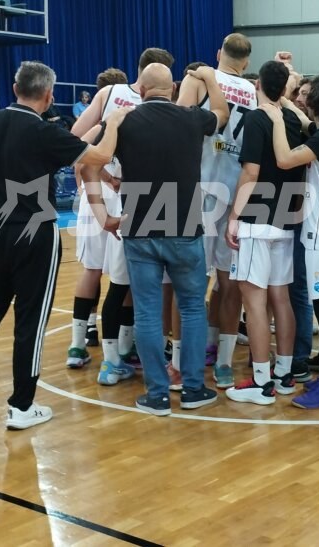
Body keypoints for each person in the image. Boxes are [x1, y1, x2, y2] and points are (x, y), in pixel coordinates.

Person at [0, 61, 128, 430]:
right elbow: (101, 157)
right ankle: (22, 406)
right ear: (48, 95)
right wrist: (114, 122)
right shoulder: (44, 131)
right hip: (35, 234)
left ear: (15, 89)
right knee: (30, 320)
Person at [107, 63, 228, 416]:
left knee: (146, 311)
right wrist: (210, 78)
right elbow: (221, 113)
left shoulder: (124, 119)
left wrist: (105, 201)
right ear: (172, 89)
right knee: (192, 308)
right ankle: (193, 389)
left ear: (141, 90)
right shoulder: (190, 118)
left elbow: (88, 155)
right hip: (184, 227)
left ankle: (157, 394)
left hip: (139, 227)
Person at [69, 53, 167, 375]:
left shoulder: (109, 93)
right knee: (125, 277)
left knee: (93, 270)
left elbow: (74, 140)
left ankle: (79, 344)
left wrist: (98, 175)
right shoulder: (158, 104)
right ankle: (124, 347)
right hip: (129, 193)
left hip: (98, 189)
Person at [263, 68, 319, 410]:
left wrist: (275, 119)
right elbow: (305, 123)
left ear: (318, 103)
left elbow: (285, 159)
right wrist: (284, 101)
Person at [176, 33, 256, 389]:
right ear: (246, 62)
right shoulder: (254, 91)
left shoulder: (198, 78)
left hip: (201, 187)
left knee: (189, 281)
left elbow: (178, 126)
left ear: (218, 53)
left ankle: (181, 362)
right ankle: (223, 361)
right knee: (229, 282)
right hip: (237, 191)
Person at [223, 60, 306, 405]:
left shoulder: (258, 118)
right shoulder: (295, 120)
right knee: (280, 298)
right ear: (286, 89)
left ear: (257, 83)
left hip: (258, 219)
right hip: (285, 218)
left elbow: (251, 172)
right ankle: (284, 374)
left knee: (254, 301)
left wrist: (233, 215)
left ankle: (261, 382)